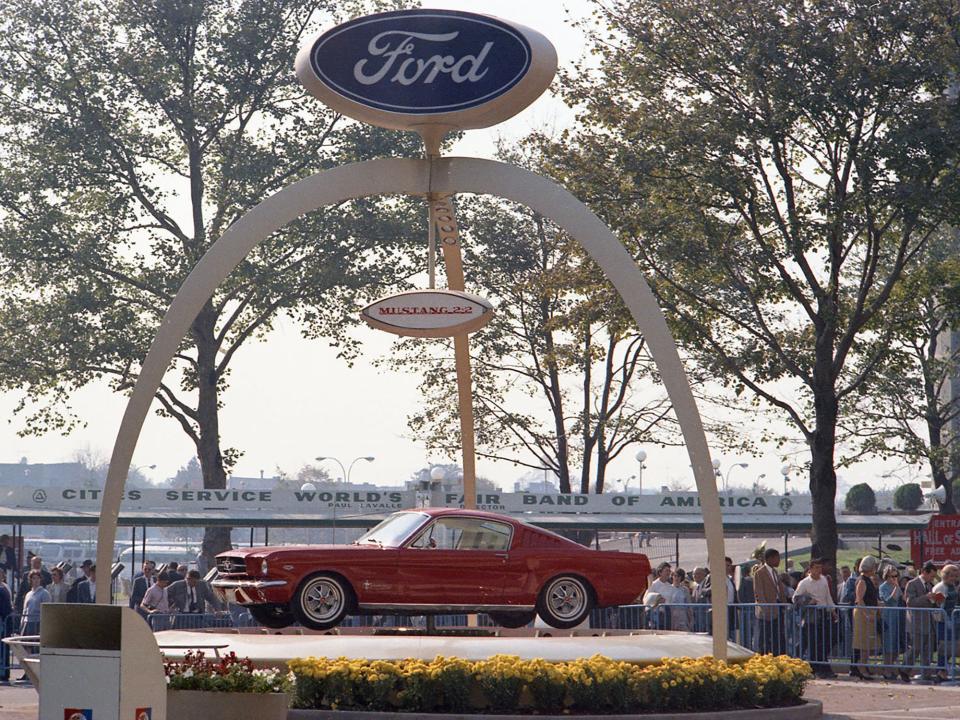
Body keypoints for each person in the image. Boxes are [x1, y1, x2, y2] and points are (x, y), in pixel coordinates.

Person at [793, 558, 837, 678]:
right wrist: (808, 601)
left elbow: (827, 596)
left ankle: (822, 668)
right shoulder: (804, 583)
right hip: (811, 617)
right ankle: (815, 669)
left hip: (823, 614)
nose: (819, 570)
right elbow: (795, 598)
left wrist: (833, 611)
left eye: (820, 568)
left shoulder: (823, 580)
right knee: (813, 643)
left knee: (823, 643)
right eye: (816, 568)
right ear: (811, 569)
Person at [903, 561, 939, 682]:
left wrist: (936, 600)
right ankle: (904, 669)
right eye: (931, 575)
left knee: (927, 651)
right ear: (924, 572)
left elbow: (932, 604)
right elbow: (910, 602)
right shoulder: (912, 584)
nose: (932, 578)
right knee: (916, 648)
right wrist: (926, 597)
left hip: (929, 623)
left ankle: (926, 673)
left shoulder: (930, 585)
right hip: (916, 623)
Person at [851, 555, 880, 679]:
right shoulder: (862, 580)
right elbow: (860, 599)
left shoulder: (867, 579)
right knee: (863, 643)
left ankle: (864, 666)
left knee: (868, 643)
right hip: (864, 614)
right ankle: (861, 669)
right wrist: (867, 615)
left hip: (869, 613)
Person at [753, 548, 787, 654]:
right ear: (770, 558)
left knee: (777, 637)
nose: (779, 561)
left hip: (777, 609)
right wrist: (765, 608)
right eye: (777, 558)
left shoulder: (774, 572)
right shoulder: (760, 573)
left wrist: (784, 603)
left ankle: (778, 657)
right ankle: (763, 659)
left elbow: (778, 589)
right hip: (766, 612)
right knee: (764, 638)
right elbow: (759, 592)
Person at [932, 563, 958, 681]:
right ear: (945, 575)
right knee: (943, 646)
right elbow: (938, 605)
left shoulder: (953, 586)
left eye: (955, 576)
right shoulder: (940, 587)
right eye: (951, 576)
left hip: (953, 620)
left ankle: (944, 670)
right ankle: (940, 671)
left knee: (950, 647)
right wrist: (944, 618)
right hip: (943, 621)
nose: (954, 578)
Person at [878, 565, 903, 680]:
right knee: (888, 644)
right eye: (891, 576)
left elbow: (902, 598)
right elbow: (887, 600)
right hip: (888, 616)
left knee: (896, 644)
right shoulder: (883, 587)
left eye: (896, 576)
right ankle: (886, 669)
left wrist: (898, 587)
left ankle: (892, 666)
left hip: (897, 616)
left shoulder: (897, 586)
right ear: (886, 576)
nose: (894, 578)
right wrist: (895, 588)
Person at [19, 569, 50, 636]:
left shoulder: (44, 593)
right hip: (27, 622)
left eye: (38, 578)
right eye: (34, 578)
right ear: (31, 580)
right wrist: (21, 624)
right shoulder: (28, 594)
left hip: (38, 623)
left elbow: (47, 610)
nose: (36, 580)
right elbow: (25, 610)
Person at [648, 562, 674, 629]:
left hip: (667, 614)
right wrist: (657, 601)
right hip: (657, 614)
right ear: (660, 572)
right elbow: (648, 599)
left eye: (669, 571)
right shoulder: (653, 585)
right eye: (666, 571)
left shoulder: (670, 586)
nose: (668, 573)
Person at [0, 568, 13, 681]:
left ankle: (3, 672)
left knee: (3, 648)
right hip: (3, 621)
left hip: (3, 622)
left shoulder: (3, 589)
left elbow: (5, 608)